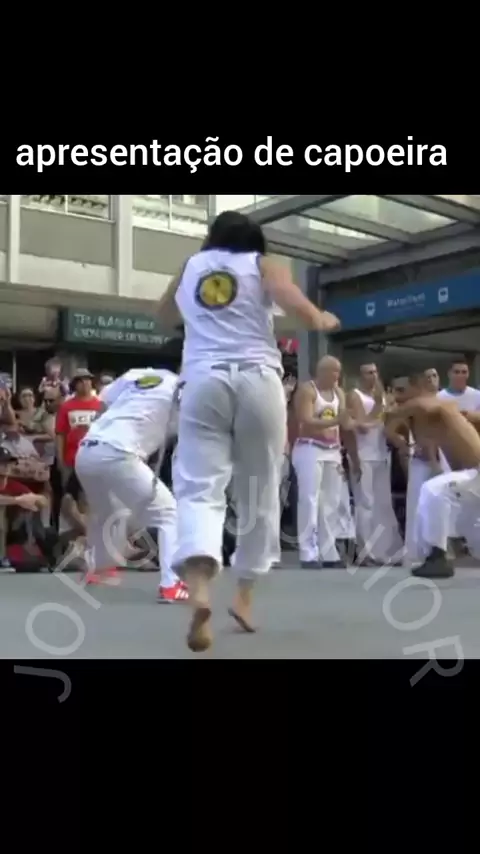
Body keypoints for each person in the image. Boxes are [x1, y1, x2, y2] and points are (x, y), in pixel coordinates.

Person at [157, 209, 340, 652]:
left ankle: (200, 588)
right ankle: (244, 595)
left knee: (199, 485)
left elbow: (163, 314)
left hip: (203, 379)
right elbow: (290, 298)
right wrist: (320, 318)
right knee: (260, 486)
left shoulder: (191, 265)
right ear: (254, 240)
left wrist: (202, 318)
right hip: (258, 378)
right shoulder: (263, 263)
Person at [75, 365, 186, 600]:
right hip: (119, 453)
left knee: (108, 512)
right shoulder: (187, 389)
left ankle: (99, 569)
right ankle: (171, 584)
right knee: (168, 513)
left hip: (86, 450)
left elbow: (102, 404)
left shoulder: (140, 374)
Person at [386, 371, 480, 578]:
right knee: (471, 531)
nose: (399, 396)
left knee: (433, 490)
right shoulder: (435, 418)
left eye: (403, 390)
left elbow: (424, 405)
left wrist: (394, 409)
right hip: (471, 479)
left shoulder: (436, 405)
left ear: (416, 387)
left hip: (476, 474)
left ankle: (437, 557)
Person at [292, 356, 355, 568]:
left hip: (332, 450)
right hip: (310, 448)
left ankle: (329, 552)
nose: (337, 375)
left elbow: (346, 421)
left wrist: (368, 417)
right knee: (309, 500)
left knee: (331, 501)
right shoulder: (308, 390)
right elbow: (306, 420)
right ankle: (308, 552)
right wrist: (336, 421)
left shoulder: (339, 393)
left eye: (338, 371)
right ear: (322, 371)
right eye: (333, 371)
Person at [346, 363, 403, 566]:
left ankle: (385, 551)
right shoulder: (355, 396)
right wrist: (379, 406)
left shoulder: (381, 397)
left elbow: (386, 424)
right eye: (369, 372)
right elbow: (361, 426)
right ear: (360, 376)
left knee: (383, 504)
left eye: (375, 372)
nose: (373, 375)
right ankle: (364, 552)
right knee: (365, 503)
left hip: (381, 455)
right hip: (363, 455)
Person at [385, 373, 443, 568]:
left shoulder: (443, 401)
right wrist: (403, 444)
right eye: (427, 377)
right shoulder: (413, 405)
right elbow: (390, 428)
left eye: (434, 376)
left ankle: (437, 550)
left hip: (443, 459)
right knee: (416, 506)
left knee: (439, 507)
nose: (431, 380)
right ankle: (414, 553)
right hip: (421, 461)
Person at [55, 369, 102, 488]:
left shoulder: (100, 405)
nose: (85, 383)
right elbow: (60, 434)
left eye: (87, 379)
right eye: (80, 381)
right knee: (70, 494)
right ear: (74, 385)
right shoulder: (66, 407)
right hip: (71, 460)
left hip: (95, 460)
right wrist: (60, 459)